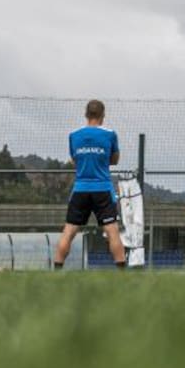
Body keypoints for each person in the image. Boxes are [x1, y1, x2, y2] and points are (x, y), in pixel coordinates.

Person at [53, 100, 126, 270]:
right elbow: (115, 160)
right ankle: (123, 274)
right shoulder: (110, 135)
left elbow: (74, 160)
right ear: (103, 115)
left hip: (80, 189)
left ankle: (56, 270)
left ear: (86, 114)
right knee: (112, 231)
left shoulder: (74, 135)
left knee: (69, 231)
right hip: (103, 189)